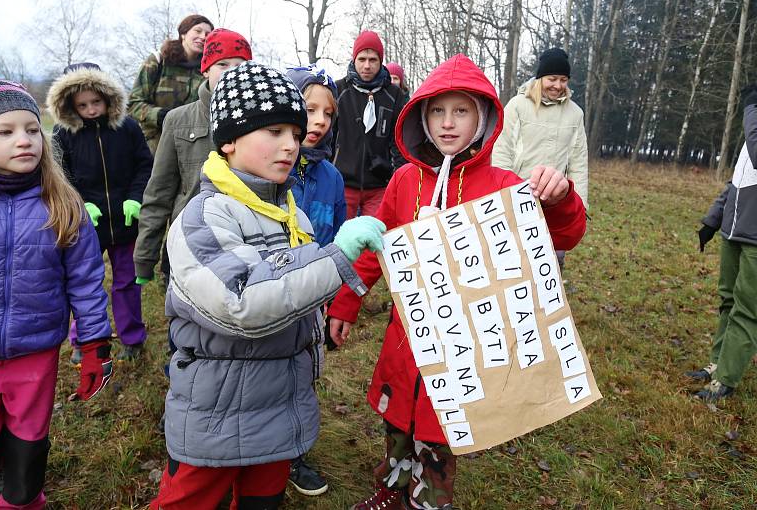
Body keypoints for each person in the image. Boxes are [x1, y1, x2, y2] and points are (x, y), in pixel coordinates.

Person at [326, 54, 587, 510]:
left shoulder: (504, 185)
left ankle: (431, 500)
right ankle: (390, 491)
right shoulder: (406, 180)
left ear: (482, 117)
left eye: (461, 111)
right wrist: (345, 304)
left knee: (441, 427)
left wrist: (560, 198)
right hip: (406, 335)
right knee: (397, 425)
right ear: (422, 117)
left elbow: (566, 233)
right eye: (437, 111)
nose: (448, 124)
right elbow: (376, 246)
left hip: (465, 345)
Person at [149, 61, 386, 509]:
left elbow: (296, 295)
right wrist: (336, 258)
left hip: (278, 404)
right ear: (230, 139)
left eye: (295, 135)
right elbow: (243, 301)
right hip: (216, 415)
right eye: (274, 131)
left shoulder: (288, 210)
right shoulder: (205, 215)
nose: (291, 145)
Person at [0, 64, 113, 510]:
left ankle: (22, 498)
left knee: (27, 442)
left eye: (31, 128)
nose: (24, 139)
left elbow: (85, 280)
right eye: (4, 131)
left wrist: (94, 344)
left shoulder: (62, 203)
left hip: (35, 348)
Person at [48, 63, 153, 363]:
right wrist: (80, 203)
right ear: (69, 105)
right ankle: (83, 340)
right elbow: (59, 174)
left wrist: (135, 198)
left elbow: (144, 164)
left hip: (125, 220)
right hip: (86, 224)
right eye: (82, 105)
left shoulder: (128, 127)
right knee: (84, 282)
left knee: (127, 281)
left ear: (108, 98)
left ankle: (132, 338)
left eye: (96, 102)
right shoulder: (62, 133)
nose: (91, 110)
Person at [134, 28, 253, 287]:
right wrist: (145, 256)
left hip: (244, 243)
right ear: (205, 70)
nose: (232, 72)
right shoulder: (178, 120)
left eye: (240, 65)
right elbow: (159, 192)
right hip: (188, 243)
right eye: (223, 64)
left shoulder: (259, 121)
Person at [283, 64, 347, 496]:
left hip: (314, 304)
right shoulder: (273, 170)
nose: (320, 121)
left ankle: (295, 454)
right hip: (269, 296)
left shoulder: (333, 178)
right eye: (310, 110)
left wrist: (336, 297)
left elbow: (341, 239)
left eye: (328, 113)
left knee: (305, 377)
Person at [689, 85, 757, 402]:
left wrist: (751, 109)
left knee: (747, 309)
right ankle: (717, 364)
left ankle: (726, 380)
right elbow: (739, 179)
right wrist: (713, 218)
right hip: (735, 229)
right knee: (728, 300)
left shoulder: (752, 120)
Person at [492, 48, 588, 268]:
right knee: (511, 259)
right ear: (540, 78)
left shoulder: (575, 114)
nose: (557, 85)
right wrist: (502, 195)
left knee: (550, 261)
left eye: (563, 80)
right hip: (517, 198)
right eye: (552, 78)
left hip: (554, 201)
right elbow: (502, 151)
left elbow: (578, 162)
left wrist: (580, 204)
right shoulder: (517, 106)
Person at [333, 30, 406, 218]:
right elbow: (328, 135)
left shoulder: (394, 95)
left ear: (380, 61)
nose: (367, 66)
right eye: (362, 59)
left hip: (379, 185)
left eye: (373, 60)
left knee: (375, 239)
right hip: (342, 182)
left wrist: (399, 178)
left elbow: (399, 141)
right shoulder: (338, 90)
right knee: (342, 239)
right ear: (354, 59)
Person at [129, 14, 214, 154]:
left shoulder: (209, 70)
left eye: (208, 34)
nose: (203, 37)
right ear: (183, 34)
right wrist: (161, 115)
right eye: (198, 31)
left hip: (191, 145)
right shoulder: (159, 60)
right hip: (154, 144)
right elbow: (133, 103)